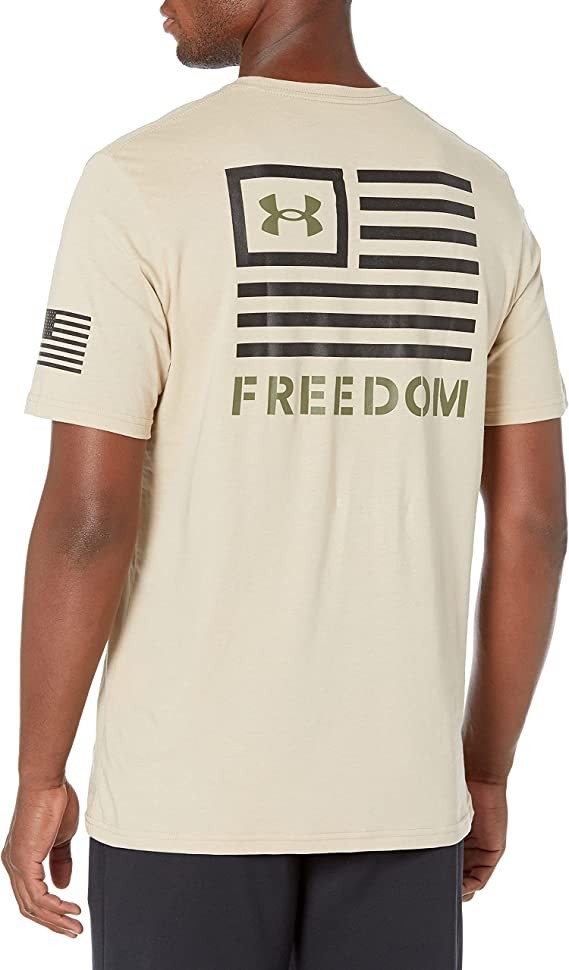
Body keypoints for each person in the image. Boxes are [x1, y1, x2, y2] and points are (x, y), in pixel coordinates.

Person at [3, 1, 566, 967]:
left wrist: (40, 772)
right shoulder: (478, 191)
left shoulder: (140, 179)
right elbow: (534, 522)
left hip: (186, 803)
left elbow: (87, 520)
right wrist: (483, 771)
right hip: (402, 798)